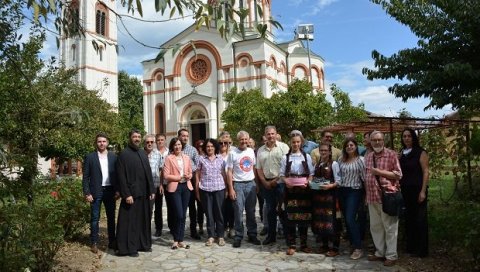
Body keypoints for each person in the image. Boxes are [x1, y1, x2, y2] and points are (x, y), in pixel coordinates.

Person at [364, 131, 402, 267]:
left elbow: (398, 175)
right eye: (374, 140)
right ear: (371, 142)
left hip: (387, 196)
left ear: (383, 141)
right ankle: (380, 252)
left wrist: (379, 172)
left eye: (379, 140)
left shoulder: (391, 154)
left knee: (390, 227)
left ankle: (391, 255)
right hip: (372, 197)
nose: (377, 142)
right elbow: (366, 176)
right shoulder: (368, 156)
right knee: (375, 226)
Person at [115, 129, 155, 257]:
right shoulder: (123, 154)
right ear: (130, 138)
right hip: (131, 195)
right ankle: (129, 248)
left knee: (143, 221)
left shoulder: (142, 153)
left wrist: (151, 190)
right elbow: (120, 176)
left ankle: (143, 244)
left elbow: (148, 173)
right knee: (130, 223)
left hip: (143, 194)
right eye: (134, 137)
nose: (137, 139)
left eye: (138, 137)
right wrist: (126, 194)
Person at [82, 133, 118, 254]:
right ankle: (94, 242)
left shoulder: (113, 156)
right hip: (95, 192)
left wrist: (118, 190)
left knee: (111, 218)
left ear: (107, 143)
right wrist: (87, 193)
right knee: (95, 218)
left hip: (110, 191)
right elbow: (85, 177)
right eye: (99, 141)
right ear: (96, 143)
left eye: (103, 141)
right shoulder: (90, 157)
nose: (101, 143)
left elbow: (117, 175)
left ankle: (112, 241)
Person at [280, 130, 314, 255]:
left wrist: (308, 182)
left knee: (304, 217)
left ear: (301, 142)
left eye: (298, 142)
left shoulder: (306, 156)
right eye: (294, 142)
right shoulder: (286, 157)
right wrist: (286, 182)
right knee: (291, 218)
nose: (296, 144)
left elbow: (311, 174)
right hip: (290, 191)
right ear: (290, 143)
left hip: (304, 191)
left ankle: (304, 244)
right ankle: (292, 244)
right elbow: (282, 175)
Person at [226, 130, 261, 248]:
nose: (244, 141)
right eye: (242, 139)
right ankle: (238, 236)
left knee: (251, 211)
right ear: (238, 140)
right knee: (238, 212)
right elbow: (229, 172)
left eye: (246, 139)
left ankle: (252, 234)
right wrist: (231, 189)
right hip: (238, 185)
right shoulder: (232, 153)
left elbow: (254, 168)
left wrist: (256, 184)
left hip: (250, 184)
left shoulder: (251, 151)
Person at [256, 126, 289, 245]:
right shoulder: (260, 150)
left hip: (280, 183)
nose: (270, 136)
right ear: (265, 135)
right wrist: (264, 182)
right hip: (267, 184)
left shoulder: (283, 147)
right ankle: (271, 236)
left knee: (283, 210)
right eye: (268, 134)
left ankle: (287, 236)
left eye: (272, 134)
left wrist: (276, 179)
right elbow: (258, 168)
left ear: (276, 134)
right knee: (270, 211)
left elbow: (287, 167)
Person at [399, 128, 429, 257]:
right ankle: (411, 247)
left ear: (413, 138)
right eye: (404, 136)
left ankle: (422, 250)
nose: (406, 138)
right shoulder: (402, 153)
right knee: (409, 219)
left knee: (420, 220)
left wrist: (423, 191)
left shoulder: (421, 152)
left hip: (417, 190)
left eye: (409, 136)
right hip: (405, 190)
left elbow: (426, 171)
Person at [163, 137, 194, 249]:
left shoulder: (186, 157)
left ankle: (180, 240)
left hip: (186, 187)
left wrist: (189, 176)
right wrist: (179, 177)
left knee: (183, 215)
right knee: (178, 214)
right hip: (174, 188)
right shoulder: (169, 158)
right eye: (175, 145)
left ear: (182, 146)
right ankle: (175, 239)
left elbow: (190, 172)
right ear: (172, 146)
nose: (178, 147)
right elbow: (166, 175)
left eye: (179, 144)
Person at [311, 143, 341, 257]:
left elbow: (339, 181)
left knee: (332, 221)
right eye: (321, 150)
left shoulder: (334, 164)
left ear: (329, 152)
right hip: (319, 198)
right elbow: (314, 177)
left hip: (331, 197)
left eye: (325, 150)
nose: (323, 152)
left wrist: (330, 186)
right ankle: (324, 245)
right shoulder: (317, 164)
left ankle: (335, 247)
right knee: (321, 221)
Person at [196, 138, 227, 246]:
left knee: (219, 213)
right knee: (209, 214)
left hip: (219, 189)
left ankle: (221, 236)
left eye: (212, 146)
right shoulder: (201, 159)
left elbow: (224, 173)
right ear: (205, 148)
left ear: (215, 147)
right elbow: (198, 175)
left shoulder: (221, 159)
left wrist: (227, 188)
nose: (209, 148)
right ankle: (211, 236)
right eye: (208, 146)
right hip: (205, 189)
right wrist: (197, 190)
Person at [338, 138, 365, 260]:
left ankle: (358, 247)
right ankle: (352, 244)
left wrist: (367, 194)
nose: (349, 147)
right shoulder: (341, 160)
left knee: (350, 218)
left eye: (352, 145)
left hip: (354, 191)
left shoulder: (361, 160)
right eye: (347, 145)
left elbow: (364, 178)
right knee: (346, 219)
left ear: (356, 146)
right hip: (342, 190)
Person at [178, 129, 203, 239]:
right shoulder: (174, 149)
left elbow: (198, 166)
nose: (185, 138)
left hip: (191, 180)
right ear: (179, 136)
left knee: (192, 207)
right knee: (179, 208)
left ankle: (194, 230)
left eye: (187, 136)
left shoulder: (192, 150)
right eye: (183, 135)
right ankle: (178, 230)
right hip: (178, 181)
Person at [143, 135, 163, 237]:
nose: (150, 144)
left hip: (155, 186)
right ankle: (145, 229)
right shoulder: (140, 154)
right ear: (144, 143)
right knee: (147, 209)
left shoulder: (158, 154)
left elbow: (160, 170)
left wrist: (160, 184)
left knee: (158, 209)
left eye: (151, 142)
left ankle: (158, 229)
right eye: (147, 142)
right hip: (144, 187)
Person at [219, 131, 235, 238]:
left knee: (232, 207)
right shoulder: (217, 156)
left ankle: (232, 227)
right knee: (223, 207)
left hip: (233, 183)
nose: (224, 145)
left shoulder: (234, 153)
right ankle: (224, 227)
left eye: (226, 142)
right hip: (220, 185)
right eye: (222, 143)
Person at [155, 133, 169, 236]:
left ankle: (171, 226)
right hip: (157, 183)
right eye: (158, 140)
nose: (160, 141)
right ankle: (158, 228)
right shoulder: (153, 153)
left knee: (171, 205)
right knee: (158, 206)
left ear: (165, 140)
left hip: (168, 182)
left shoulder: (169, 152)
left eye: (162, 140)